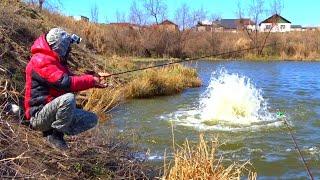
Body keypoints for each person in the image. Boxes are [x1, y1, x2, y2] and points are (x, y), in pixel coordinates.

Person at [24, 28, 108, 150]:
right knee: (68, 99)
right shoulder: (41, 60)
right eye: (68, 46)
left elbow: (71, 78)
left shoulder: (54, 61)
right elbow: (64, 83)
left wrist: (94, 79)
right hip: (38, 116)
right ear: (60, 47)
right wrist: (91, 80)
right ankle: (54, 135)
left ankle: (55, 130)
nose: (70, 49)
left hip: (50, 113)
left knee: (92, 119)